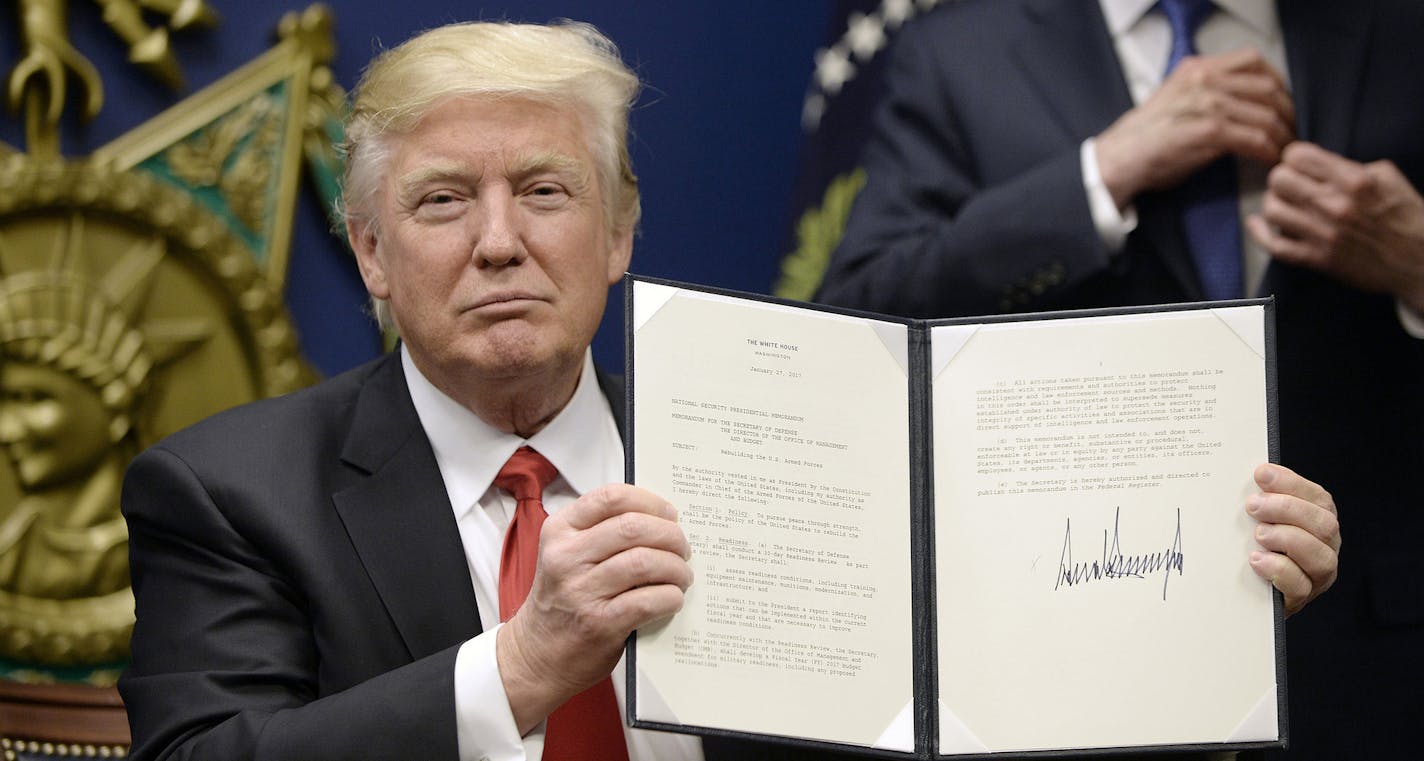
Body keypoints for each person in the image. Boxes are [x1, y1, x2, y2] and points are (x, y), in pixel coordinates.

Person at [118, 15, 1337, 761]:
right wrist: (527, 665)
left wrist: (1202, 621)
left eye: (545, 192)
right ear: (372, 254)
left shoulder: (801, 442)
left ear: (619, 233)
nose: (498, 242)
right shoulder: (227, 491)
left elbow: (971, 735)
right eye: (442, 201)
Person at [815, 1, 1418, 758]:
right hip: (1069, 670)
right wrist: (1098, 176)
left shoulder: (1400, 29)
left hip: (1372, 661)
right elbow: (860, 323)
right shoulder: (961, 51)